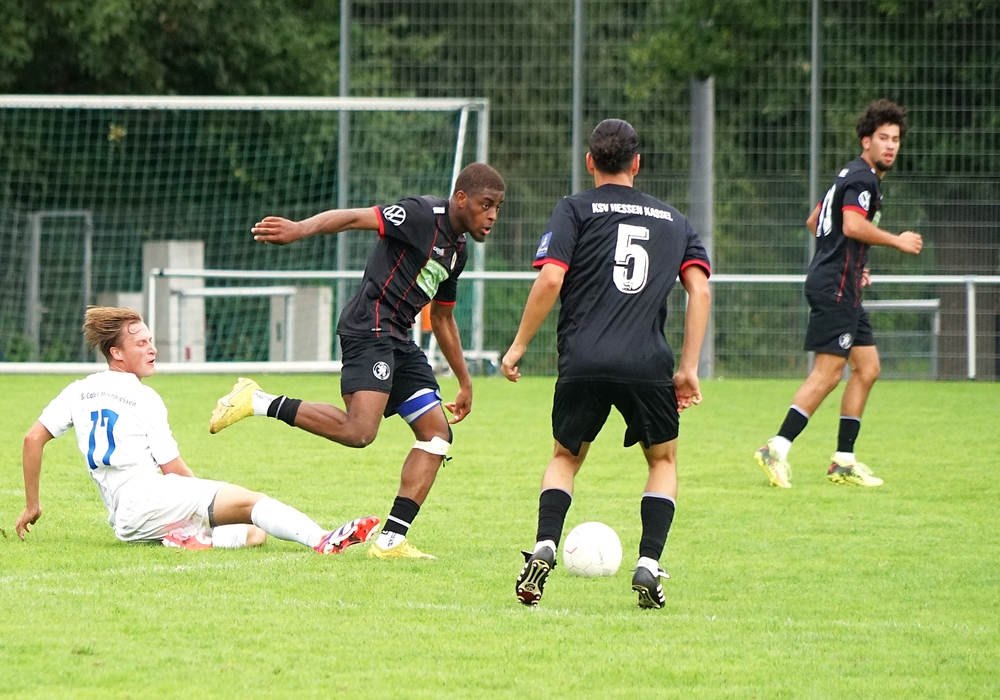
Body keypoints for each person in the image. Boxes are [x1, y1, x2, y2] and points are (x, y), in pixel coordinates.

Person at [209, 163, 506, 560]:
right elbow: (352, 218)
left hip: (399, 339)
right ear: (461, 198)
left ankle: (390, 541)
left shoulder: (458, 252)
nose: (492, 215)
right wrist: (299, 229)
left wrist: (465, 381)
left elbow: (443, 318)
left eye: (498, 207)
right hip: (370, 326)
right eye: (486, 205)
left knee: (436, 435)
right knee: (359, 432)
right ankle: (257, 400)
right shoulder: (420, 214)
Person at [501, 119, 711, 609]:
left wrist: (518, 346)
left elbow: (550, 279)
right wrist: (688, 368)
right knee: (662, 461)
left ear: (590, 161)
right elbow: (699, 291)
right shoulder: (674, 221)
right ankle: (648, 562)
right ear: (637, 163)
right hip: (647, 362)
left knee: (565, 458)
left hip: (583, 359)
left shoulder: (574, 209)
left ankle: (545, 545)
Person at [14, 306, 379, 553]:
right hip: (150, 499)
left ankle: (190, 538)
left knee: (256, 533)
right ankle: (322, 540)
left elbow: (33, 439)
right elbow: (173, 469)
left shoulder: (78, 390)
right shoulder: (142, 397)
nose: (152, 349)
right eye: (141, 343)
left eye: (151, 341)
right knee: (253, 502)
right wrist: (204, 499)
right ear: (116, 353)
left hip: (124, 520)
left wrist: (33, 505)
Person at [754, 99, 923, 489]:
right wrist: (896, 241)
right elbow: (850, 225)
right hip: (835, 288)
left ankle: (843, 462)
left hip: (841, 284)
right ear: (866, 141)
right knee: (828, 373)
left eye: (895, 139)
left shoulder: (849, 174)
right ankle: (775, 448)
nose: (890, 146)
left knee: (868, 368)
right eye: (883, 138)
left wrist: (851, 263)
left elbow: (815, 220)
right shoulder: (863, 179)